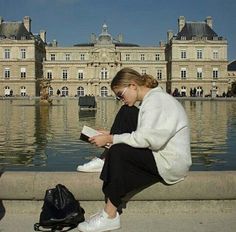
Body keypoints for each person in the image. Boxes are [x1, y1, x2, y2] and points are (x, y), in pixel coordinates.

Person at [78, 68, 192, 232]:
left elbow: (149, 140)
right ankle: (105, 159)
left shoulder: (157, 101)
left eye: (120, 95)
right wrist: (111, 135)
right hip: (160, 152)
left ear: (132, 85)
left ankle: (109, 216)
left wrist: (111, 139)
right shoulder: (152, 99)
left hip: (169, 162)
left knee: (118, 151)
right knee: (127, 112)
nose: (120, 100)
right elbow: (147, 134)